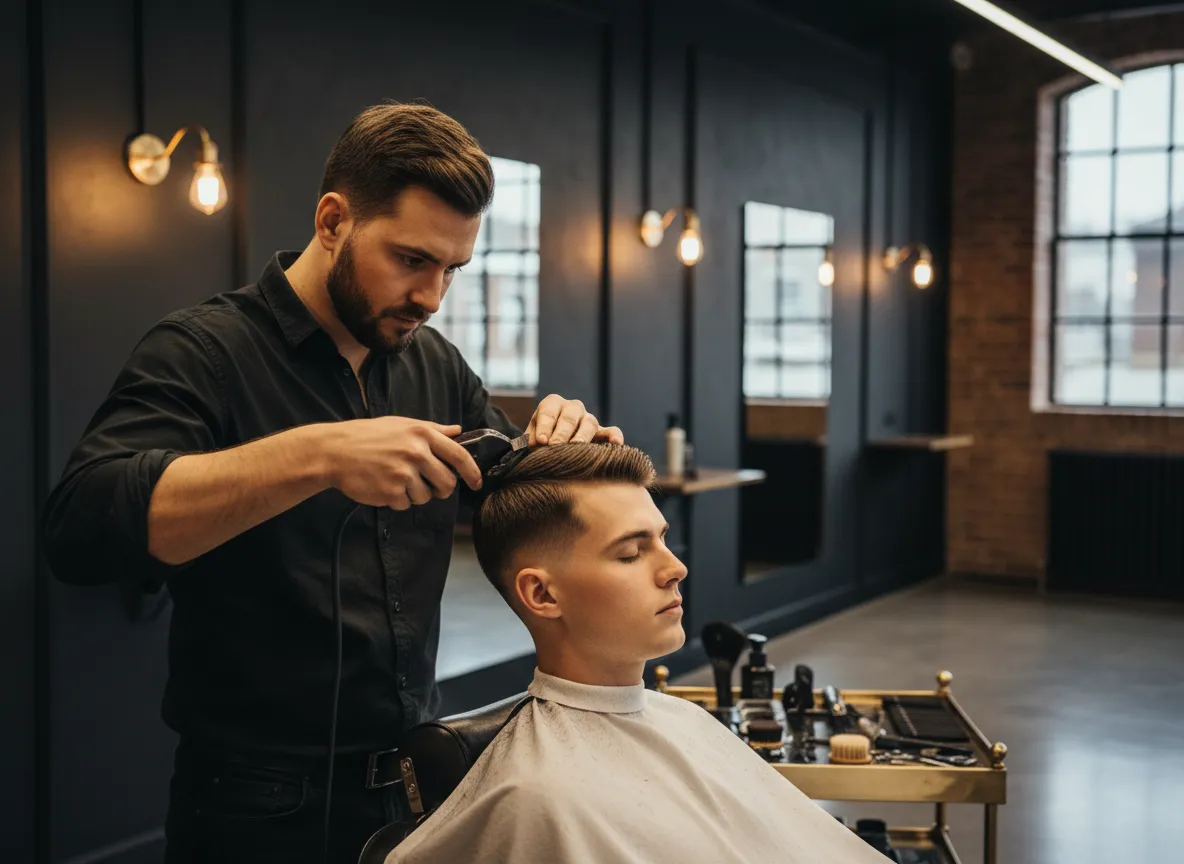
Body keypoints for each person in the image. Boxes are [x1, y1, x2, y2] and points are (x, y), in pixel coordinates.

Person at [41, 102, 622, 864]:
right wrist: (316, 455)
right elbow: (83, 531)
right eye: (412, 259)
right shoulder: (202, 353)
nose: (432, 296)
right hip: (253, 804)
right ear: (332, 220)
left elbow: (509, 484)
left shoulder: (433, 363)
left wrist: (572, 447)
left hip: (415, 780)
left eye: (452, 269)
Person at [383, 442, 889, 863]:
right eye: (631, 552)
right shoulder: (542, 798)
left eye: (663, 540)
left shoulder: (684, 720)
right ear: (543, 595)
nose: (675, 569)